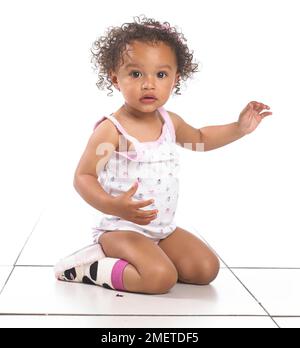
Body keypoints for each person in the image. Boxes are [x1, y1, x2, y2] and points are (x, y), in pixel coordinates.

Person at [54, 15, 272, 295]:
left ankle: (150, 257)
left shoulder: (170, 122)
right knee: (159, 278)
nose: (148, 84)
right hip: (122, 230)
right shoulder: (113, 131)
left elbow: (201, 140)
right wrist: (112, 204)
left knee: (205, 269)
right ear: (115, 79)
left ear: (175, 79)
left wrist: (239, 129)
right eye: (135, 74)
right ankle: (90, 268)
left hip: (162, 230)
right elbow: (83, 176)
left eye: (160, 74)